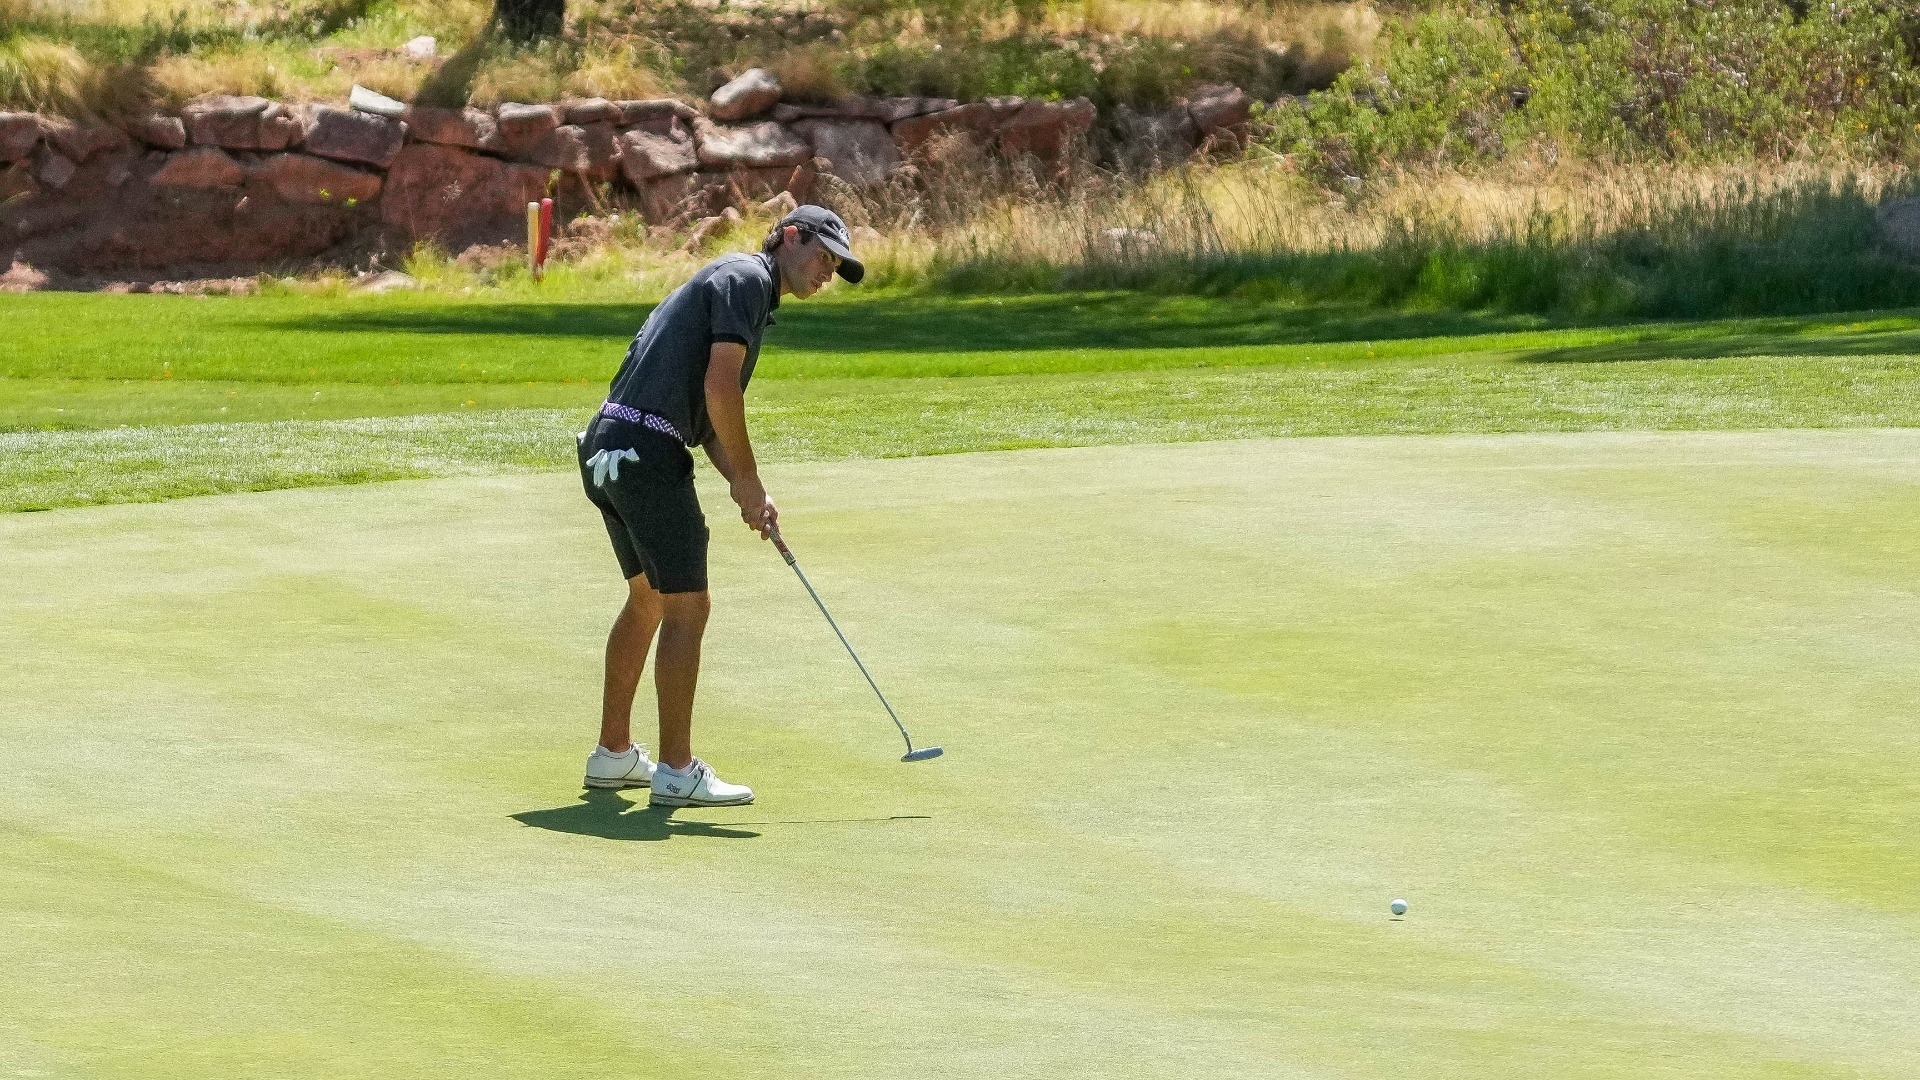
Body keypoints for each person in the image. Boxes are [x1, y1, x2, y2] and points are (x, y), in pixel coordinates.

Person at [577, 205, 864, 807]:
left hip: (608, 445)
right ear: (790, 236)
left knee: (649, 598)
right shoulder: (749, 278)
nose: (826, 273)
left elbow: (708, 422)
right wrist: (750, 478)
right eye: (822, 257)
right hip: (648, 452)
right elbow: (720, 386)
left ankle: (613, 754)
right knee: (689, 607)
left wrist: (745, 488)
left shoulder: (739, 285)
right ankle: (677, 770)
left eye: (836, 267)